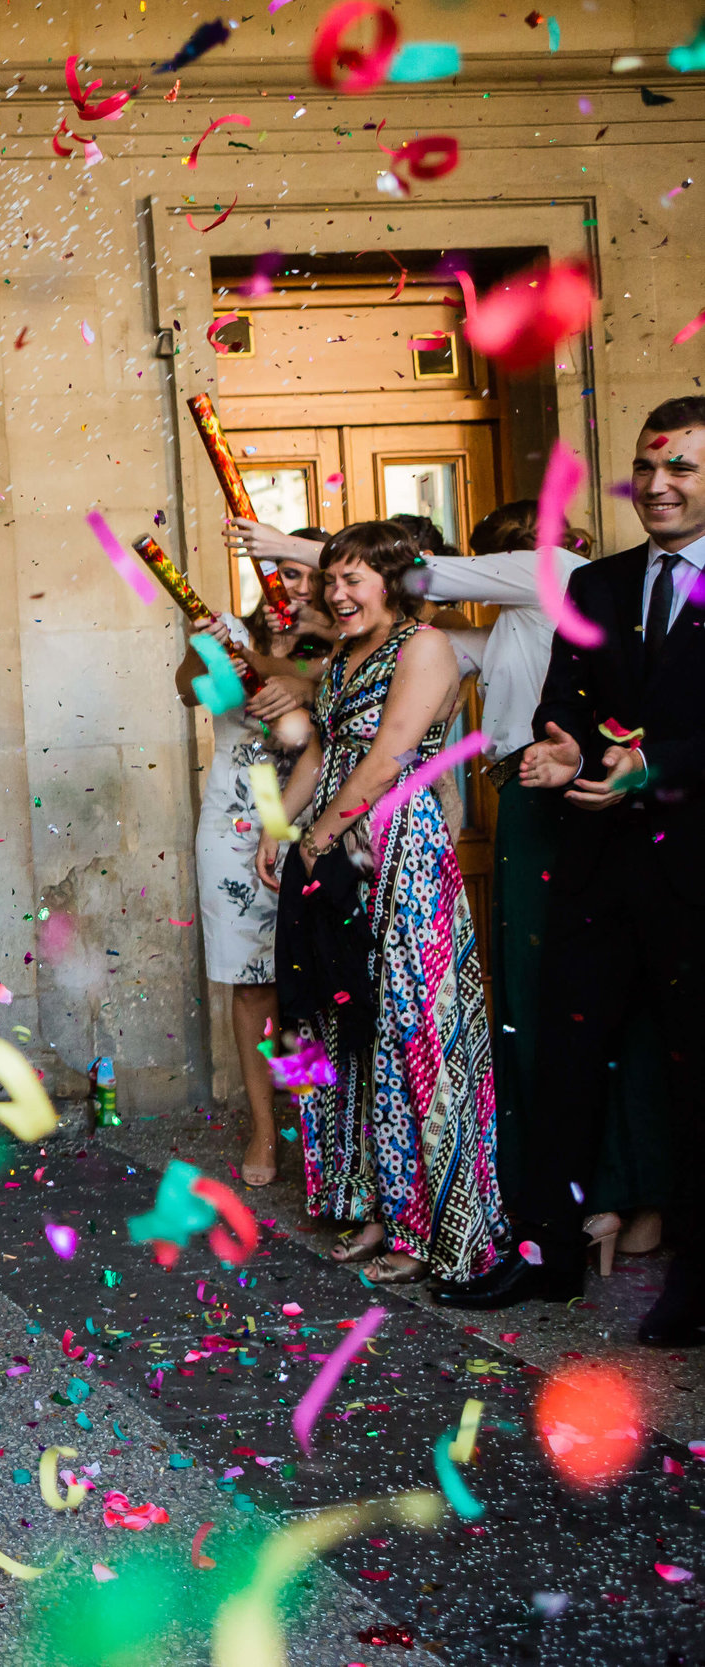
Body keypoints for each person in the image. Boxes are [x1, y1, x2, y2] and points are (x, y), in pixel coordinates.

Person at [438, 398, 705, 1324]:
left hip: (694, 872)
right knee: (562, 1059)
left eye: (683, 471)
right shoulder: (596, 585)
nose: (660, 486)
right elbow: (568, 709)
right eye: (648, 468)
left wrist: (655, 766)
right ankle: (542, 1251)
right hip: (594, 864)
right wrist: (557, 757)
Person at [259, 522, 502, 1286]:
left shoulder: (425, 645)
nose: (336, 593)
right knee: (348, 1020)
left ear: (394, 582)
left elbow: (391, 754)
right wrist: (280, 827)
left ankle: (429, 1222)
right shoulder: (343, 654)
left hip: (397, 848)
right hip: (336, 853)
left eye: (352, 579)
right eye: (331, 581)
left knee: (407, 1023)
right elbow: (328, 752)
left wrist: (321, 835)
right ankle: (372, 1201)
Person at [175, 560, 329, 1190]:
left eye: (299, 575)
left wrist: (267, 667)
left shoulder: (342, 641)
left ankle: (326, 1127)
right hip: (234, 828)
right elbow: (189, 688)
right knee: (250, 983)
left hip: (323, 818)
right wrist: (209, 645)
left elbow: (316, 685)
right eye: (276, 573)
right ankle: (265, 1127)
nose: (285, 587)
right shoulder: (232, 630)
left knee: (323, 979)